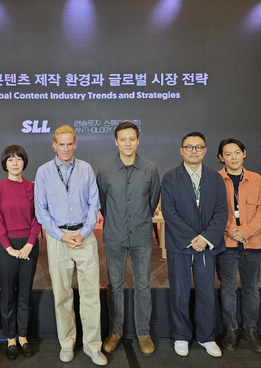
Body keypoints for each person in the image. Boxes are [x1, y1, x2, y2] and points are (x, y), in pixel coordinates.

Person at [34, 125, 107, 366]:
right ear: (53, 145)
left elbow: (94, 203)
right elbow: (41, 210)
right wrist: (62, 236)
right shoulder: (43, 172)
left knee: (90, 295)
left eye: (69, 144)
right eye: (61, 144)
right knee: (62, 295)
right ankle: (67, 343)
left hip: (84, 237)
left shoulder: (85, 168)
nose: (65, 149)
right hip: (58, 239)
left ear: (75, 144)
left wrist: (84, 232)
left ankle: (92, 346)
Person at [160, 131, 227, 358]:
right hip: (180, 245)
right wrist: (192, 239)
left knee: (207, 292)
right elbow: (169, 213)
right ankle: (181, 335)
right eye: (189, 147)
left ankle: (207, 336)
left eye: (198, 147)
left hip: (207, 246)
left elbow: (221, 212)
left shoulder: (215, 178)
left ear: (205, 151)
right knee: (179, 293)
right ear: (181, 150)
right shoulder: (170, 177)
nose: (194, 151)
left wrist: (206, 239)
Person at [96, 122, 160, 356]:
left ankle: (143, 332)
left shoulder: (151, 169)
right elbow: (103, 203)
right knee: (115, 285)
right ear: (116, 141)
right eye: (123, 139)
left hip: (142, 235)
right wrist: (117, 220)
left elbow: (152, 201)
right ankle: (115, 331)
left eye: (132, 139)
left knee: (143, 284)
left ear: (138, 140)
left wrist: (138, 220)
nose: (128, 143)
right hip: (114, 236)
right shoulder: (104, 169)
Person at [0, 145, 42, 360]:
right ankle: (10, 337)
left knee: (25, 294)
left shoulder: (33, 187)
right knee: (8, 293)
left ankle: (23, 336)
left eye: (19, 159)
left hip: (29, 244)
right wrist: (9, 247)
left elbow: (39, 216)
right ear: (5, 163)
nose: (15, 163)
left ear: (24, 162)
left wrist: (30, 243)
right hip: (6, 246)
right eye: (10, 159)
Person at [216, 138, 261, 353]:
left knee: (251, 289)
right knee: (228, 288)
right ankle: (230, 330)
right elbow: (214, 211)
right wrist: (231, 231)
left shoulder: (257, 179)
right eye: (228, 154)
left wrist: (244, 232)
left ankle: (251, 330)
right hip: (226, 243)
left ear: (244, 153)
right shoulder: (215, 179)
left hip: (251, 242)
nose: (233, 157)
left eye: (237, 152)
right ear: (221, 157)